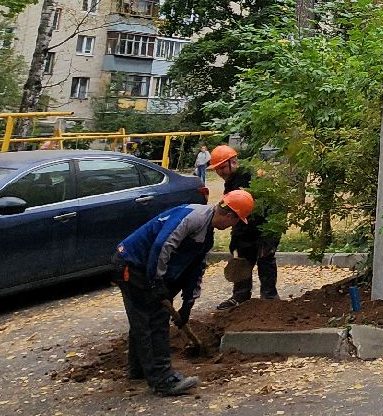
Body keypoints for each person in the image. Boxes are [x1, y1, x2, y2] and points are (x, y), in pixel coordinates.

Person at [114, 189, 253, 396]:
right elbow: (163, 245)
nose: (234, 226)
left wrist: (188, 303)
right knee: (153, 319)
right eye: (236, 221)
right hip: (131, 264)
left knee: (143, 319)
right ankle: (162, 379)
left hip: (144, 268)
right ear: (230, 215)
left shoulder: (206, 235)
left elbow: (194, 269)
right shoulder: (193, 217)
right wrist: (156, 281)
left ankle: (139, 370)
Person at [210, 145, 281, 308]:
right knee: (241, 257)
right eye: (217, 169)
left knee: (265, 257)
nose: (220, 172)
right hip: (246, 224)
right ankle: (240, 296)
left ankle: (269, 298)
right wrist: (236, 240)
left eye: (222, 168)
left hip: (267, 223)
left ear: (233, 162)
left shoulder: (251, 176)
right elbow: (233, 212)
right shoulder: (231, 181)